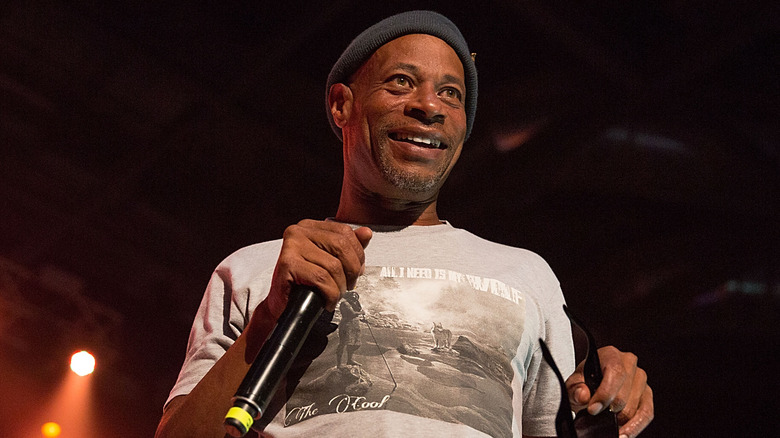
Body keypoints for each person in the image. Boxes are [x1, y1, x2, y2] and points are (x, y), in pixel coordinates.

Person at [155, 10, 653, 438]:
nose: (429, 106)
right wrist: (269, 320)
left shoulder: (527, 275)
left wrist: (606, 402)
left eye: (451, 94)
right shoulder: (256, 269)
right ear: (341, 104)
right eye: (401, 82)